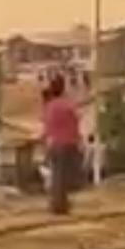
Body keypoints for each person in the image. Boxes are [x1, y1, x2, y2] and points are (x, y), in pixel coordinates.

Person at [42, 75, 81, 215]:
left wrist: (45, 142)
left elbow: (46, 126)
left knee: (56, 175)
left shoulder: (49, 106)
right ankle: (61, 204)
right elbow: (76, 121)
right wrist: (78, 140)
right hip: (68, 143)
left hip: (54, 144)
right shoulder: (68, 104)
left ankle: (57, 204)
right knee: (64, 176)